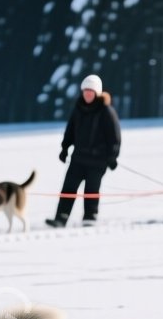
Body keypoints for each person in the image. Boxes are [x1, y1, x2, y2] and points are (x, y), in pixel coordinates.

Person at [47, 74, 121, 228]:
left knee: (91, 189)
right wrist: (64, 148)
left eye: (90, 91)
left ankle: (90, 217)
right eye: (85, 91)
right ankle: (61, 217)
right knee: (68, 187)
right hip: (78, 158)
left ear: (97, 93)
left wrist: (112, 156)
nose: (87, 94)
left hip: (98, 160)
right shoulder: (78, 109)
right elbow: (70, 131)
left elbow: (114, 137)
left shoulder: (106, 111)